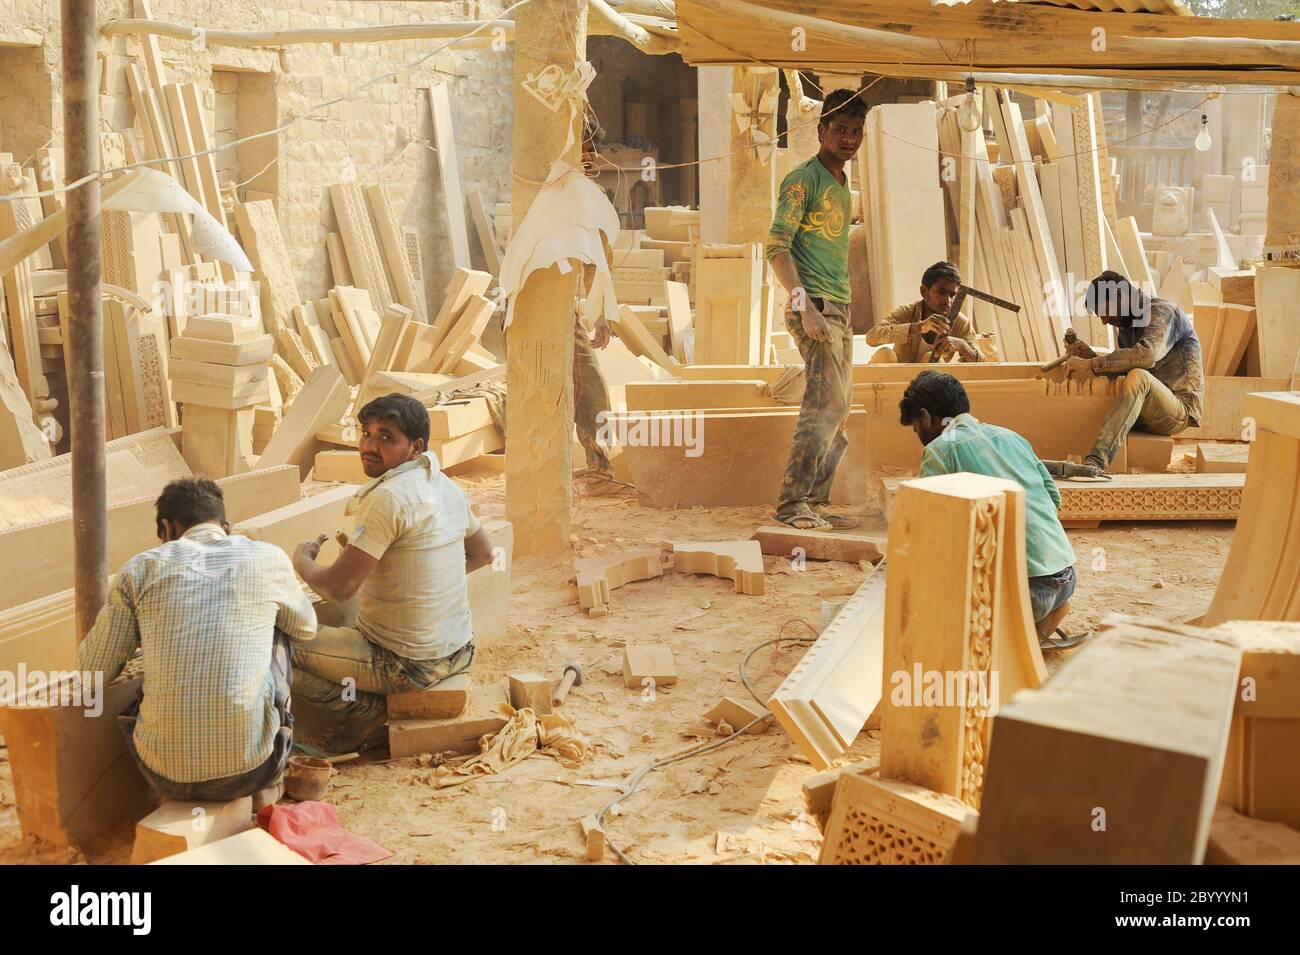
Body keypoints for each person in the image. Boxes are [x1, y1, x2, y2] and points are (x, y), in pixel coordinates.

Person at [76, 478, 316, 805]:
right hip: (252, 769)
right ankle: (266, 774)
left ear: (167, 528)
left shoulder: (139, 569)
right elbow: (306, 629)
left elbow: (93, 670)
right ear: (226, 526)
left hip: (163, 775)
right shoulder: (267, 557)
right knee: (279, 628)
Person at [292, 393, 495, 753]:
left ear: (416, 447)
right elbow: (482, 554)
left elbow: (339, 587)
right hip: (460, 650)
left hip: (405, 666)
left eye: (386, 437)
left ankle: (363, 709)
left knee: (277, 641)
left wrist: (303, 561)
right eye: (366, 434)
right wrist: (422, 581)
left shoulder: (388, 498)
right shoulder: (446, 485)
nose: (369, 446)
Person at [898, 371, 1076, 641]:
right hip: (1066, 577)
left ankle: (1008, 629)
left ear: (925, 416)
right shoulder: (1011, 436)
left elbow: (929, 526)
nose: (918, 434)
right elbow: (1053, 497)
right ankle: (1042, 619)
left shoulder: (939, 450)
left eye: (915, 428)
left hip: (1024, 590)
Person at [767, 87, 867, 531]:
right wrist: (804, 306)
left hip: (838, 308)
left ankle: (816, 500)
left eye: (856, 131)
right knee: (823, 402)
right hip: (814, 306)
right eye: (841, 129)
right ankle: (792, 505)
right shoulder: (802, 179)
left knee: (839, 406)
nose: (849, 138)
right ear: (822, 130)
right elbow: (776, 248)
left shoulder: (843, 186)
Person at [1063, 270, 1204, 472]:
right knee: (1115, 387)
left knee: (1139, 377)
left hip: (1178, 410)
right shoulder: (1127, 328)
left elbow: (1146, 356)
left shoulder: (1163, 312)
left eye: (1104, 311)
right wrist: (1088, 355)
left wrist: (1092, 364)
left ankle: (1096, 462)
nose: (1104, 321)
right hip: (1146, 407)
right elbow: (1122, 376)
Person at [573, 110, 616, 479]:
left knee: (587, 384)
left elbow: (598, 262)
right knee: (589, 385)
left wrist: (601, 314)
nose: (591, 158)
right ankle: (599, 467)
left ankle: (597, 464)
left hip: (570, 308)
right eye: (583, 150)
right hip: (545, 309)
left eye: (592, 150)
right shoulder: (553, 193)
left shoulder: (590, 195)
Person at [865, 261, 981, 362]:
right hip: (898, 382)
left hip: (930, 385)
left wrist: (962, 346)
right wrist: (919, 327)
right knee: (885, 355)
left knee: (933, 359)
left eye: (952, 295)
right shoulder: (907, 312)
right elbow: (872, 337)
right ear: (924, 291)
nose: (948, 301)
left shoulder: (961, 322)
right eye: (941, 292)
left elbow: (981, 364)